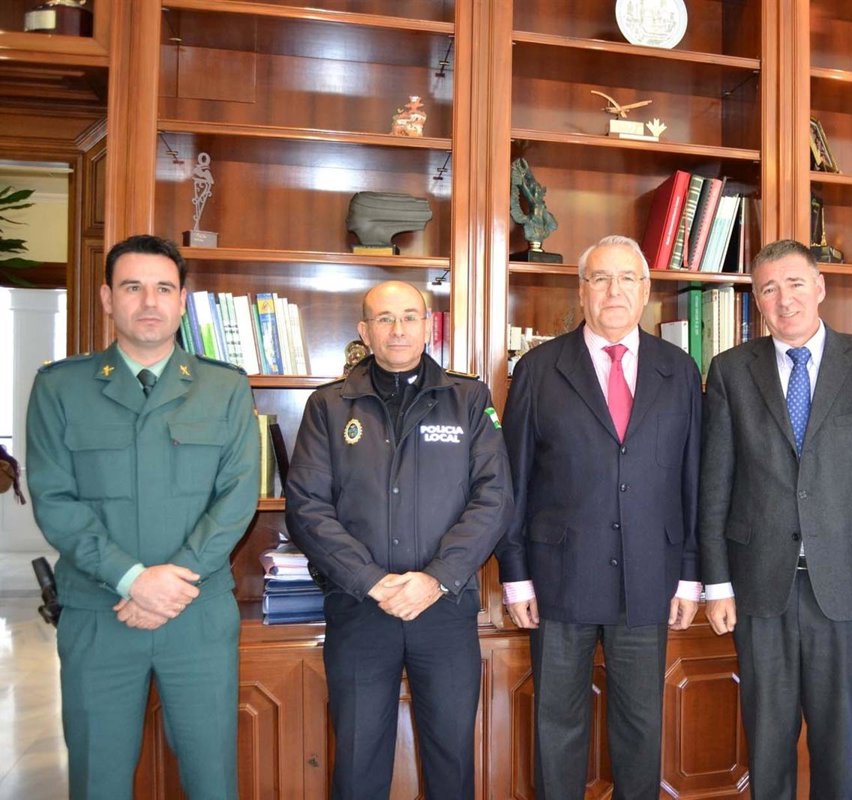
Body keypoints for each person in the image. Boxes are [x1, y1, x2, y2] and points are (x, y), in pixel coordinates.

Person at [25, 234, 259, 799]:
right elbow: (54, 498)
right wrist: (133, 580)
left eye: (163, 288)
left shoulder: (225, 387)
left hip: (197, 612)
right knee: (98, 779)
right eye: (133, 287)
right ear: (108, 298)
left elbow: (236, 498)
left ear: (182, 301)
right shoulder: (60, 387)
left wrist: (169, 585)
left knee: (212, 779)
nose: (149, 302)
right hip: (99, 612)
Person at [286, 280, 512, 799]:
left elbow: (495, 498)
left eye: (410, 316)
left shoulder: (468, 398)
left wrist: (436, 578)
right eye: (384, 319)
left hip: (444, 609)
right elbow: (307, 507)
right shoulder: (328, 405)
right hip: (360, 610)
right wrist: (371, 581)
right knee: (357, 763)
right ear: (364, 331)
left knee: (452, 761)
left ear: (429, 326)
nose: (398, 329)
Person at [699, 239, 852, 799]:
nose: (784, 299)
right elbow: (714, 486)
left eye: (794, 284)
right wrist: (717, 584)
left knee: (838, 747)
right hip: (759, 587)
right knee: (767, 744)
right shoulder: (729, 371)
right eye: (768, 289)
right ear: (757, 301)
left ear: (820, 287)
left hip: (848, 586)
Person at [495, 234, 701, 799]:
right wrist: (515, 576)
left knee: (640, 727)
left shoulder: (679, 370)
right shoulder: (538, 368)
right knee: (558, 725)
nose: (614, 291)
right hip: (559, 578)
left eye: (627, 279)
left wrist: (690, 575)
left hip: (649, 577)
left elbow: (693, 479)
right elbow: (512, 480)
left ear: (646, 291)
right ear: (581, 290)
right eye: (601, 278)